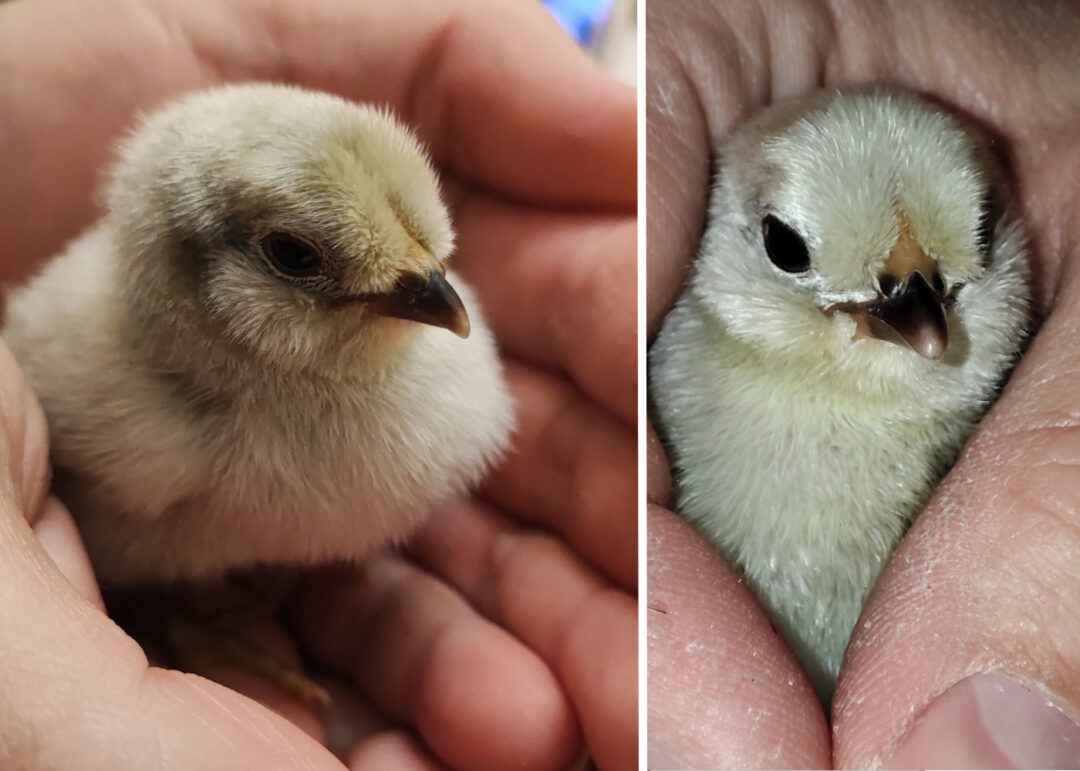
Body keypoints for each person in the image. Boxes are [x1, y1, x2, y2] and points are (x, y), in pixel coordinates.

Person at [0, 0, 637, 769]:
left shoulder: (417, 345)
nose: (434, 297)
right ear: (188, 277)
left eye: (428, 259)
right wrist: (165, 616)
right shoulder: (133, 401)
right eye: (299, 258)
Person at [647, 0, 1080, 767]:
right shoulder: (672, 384)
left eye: (976, 235)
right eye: (789, 245)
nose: (920, 322)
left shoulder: (1016, 383)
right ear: (739, 230)